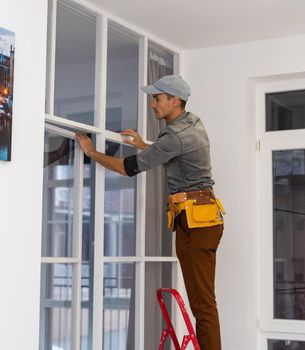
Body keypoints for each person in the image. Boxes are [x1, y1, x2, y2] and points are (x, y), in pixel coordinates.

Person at [75, 75, 225, 350]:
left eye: (157, 99)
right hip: (199, 218)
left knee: (203, 306)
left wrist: (92, 153)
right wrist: (145, 145)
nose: (152, 105)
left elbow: (127, 168)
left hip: (196, 223)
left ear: (174, 101)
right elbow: (172, 153)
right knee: (203, 304)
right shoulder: (192, 122)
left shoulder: (175, 135)